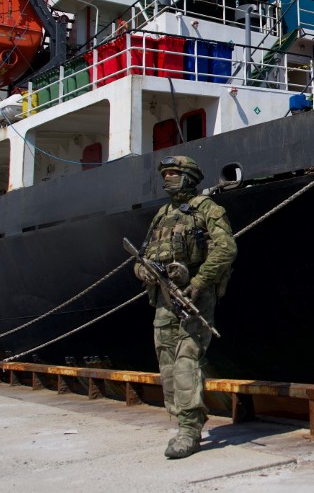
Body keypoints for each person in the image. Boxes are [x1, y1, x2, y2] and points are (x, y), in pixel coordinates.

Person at [134, 155, 237, 459]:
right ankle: (181, 420)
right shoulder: (162, 214)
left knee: (186, 359)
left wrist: (199, 282)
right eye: (164, 173)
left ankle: (190, 430)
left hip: (195, 297)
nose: (166, 178)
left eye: (173, 173)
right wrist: (142, 271)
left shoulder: (208, 209)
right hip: (163, 299)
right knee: (167, 361)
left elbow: (226, 248)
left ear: (188, 177)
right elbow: (143, 256)